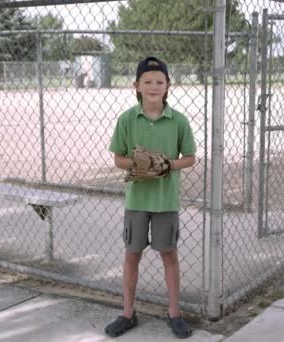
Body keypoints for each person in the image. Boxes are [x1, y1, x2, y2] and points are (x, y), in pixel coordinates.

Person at [105, 56, 196, 339]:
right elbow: (118, 158)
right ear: (137, 85)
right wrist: (138, 164)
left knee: (169, 254)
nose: (154, 86)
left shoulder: (178, 121)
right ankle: (128, 313)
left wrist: (166, 164)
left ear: (168, 86)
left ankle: (174, 314)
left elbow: (191, 158)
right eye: (148, 81)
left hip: (165, 201)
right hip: (137, 201)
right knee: (132, 254)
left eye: (159, 81)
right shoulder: (127, 119)